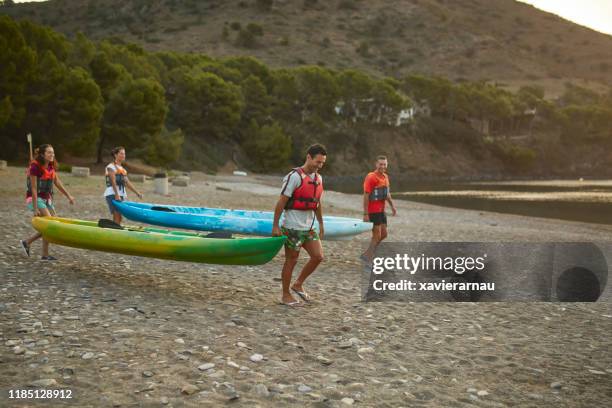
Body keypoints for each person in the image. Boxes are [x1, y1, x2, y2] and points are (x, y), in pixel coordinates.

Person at [272, 144, 327, 307]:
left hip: (309, 227)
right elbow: (281, 201)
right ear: (308, 157)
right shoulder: (294, 176)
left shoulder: (319, 179)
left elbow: (317, 203)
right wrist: (275, 225)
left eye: (322, 163)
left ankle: (298, 284)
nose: (320, 166)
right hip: (292, 227)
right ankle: (285, 294)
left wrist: (321, 223)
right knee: (291, 260)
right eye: (318, 162)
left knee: (318, 256)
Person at [20, 144, 75, 260]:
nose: (52, 155)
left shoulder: (51, 166)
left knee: (52, 224)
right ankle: (38, 250)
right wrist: (35, 208)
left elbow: (57, 182)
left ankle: (32, 246)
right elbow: (34, 188)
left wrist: (68, 196)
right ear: (42, 154)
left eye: (53, 153)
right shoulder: (35, 167)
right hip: (35, 199)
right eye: (49, 152)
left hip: (47, 199)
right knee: (49, 224)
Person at [361, 155, 397, 261]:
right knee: (376, 235)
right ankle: (369, 256)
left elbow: (387, 194)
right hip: (373, 211)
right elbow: (366, 195)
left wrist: (392, 206)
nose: (382, 166)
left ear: (387, 165)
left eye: (384, 164)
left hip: (381, 211)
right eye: (380, 164)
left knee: (384, 234)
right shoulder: (371, 177)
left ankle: (368, 253)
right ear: (376, 164)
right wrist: (365, 213)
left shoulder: (385, 177)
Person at [104, 146, 142, 225]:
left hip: (121, 195)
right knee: (117, 216)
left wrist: (137, 193)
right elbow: (113, 181)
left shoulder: (123, 169)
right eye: (121, 153)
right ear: (115, 155)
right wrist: (117, 195)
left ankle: (114, 231)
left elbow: (127, 183)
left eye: (124, 154)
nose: (123, 155)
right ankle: (114, 234)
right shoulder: (110, 167)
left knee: (119, 217)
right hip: (112, 194)